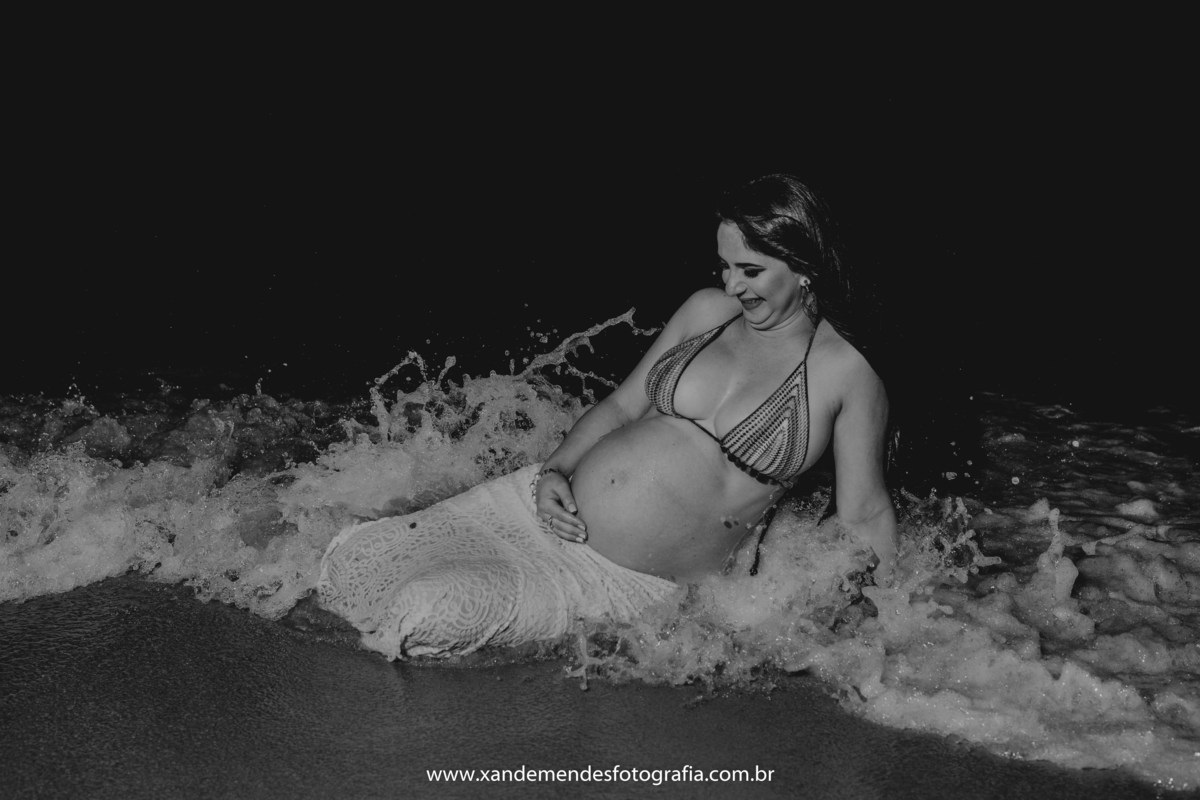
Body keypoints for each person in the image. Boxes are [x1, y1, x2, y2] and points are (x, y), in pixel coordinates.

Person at [317, 174, 898, 659]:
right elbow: (622, 406)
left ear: (802, 266)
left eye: (750, 270)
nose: (731, 284)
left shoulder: (845, 370)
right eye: (724, 266)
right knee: (354, 564)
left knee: (425, 615)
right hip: (533, 512)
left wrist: (895, 616)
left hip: (621, 582)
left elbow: (865, 511)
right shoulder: (707, 311)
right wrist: (554, 471)